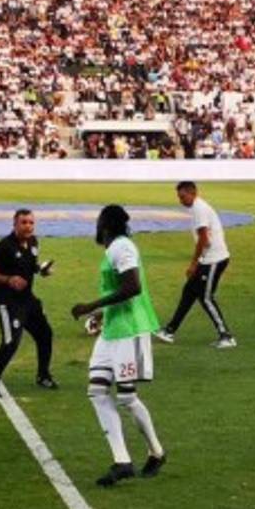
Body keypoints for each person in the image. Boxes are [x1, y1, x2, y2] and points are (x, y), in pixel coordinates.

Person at [71, 205, 166, 487]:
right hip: (112, 330)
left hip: (130, 330)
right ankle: (122, 461)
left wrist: (92, 305)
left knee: (125, 397)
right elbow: (121, 290)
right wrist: (101, 314)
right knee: (97, 391)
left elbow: (132, 287)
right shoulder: (114, 248)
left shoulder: (122, 247)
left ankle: (156, 452)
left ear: (105, 226)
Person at [0, 209, 58, 397]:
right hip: (8, 302)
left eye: (31, 222)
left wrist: (41, 270)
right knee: (11, 342)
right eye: (24, 222)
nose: (28, 226)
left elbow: (31, 265)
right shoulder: (3, 247)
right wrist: (8, 280)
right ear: (14, 224)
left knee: (45, 334)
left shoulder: (33, 243)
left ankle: (43, 375)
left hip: (28, 300)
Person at [156, 182, 236, 348]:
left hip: (214, 259)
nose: (180, 201)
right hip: (208, 259)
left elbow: (204, 240)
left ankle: (226, 336)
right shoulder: (197, 208)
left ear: (192, 193)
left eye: (182, 197)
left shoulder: (199, 209)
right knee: (189, 291)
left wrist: (194, 264)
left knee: (206, 298)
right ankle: (170, 330)